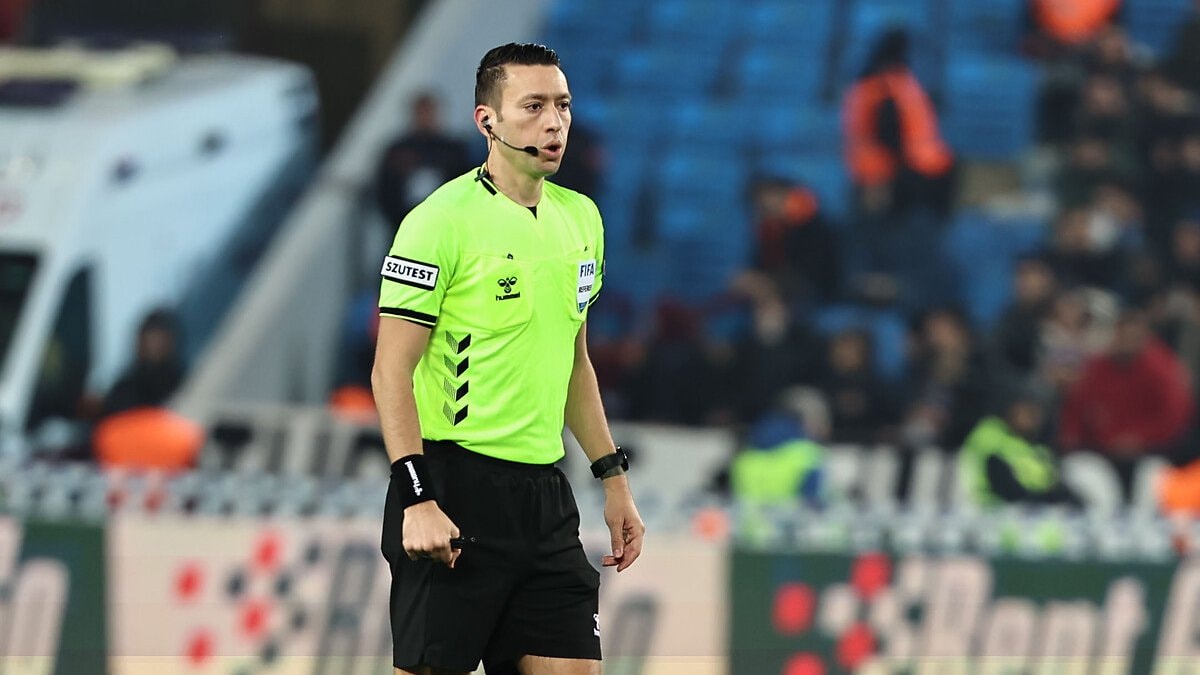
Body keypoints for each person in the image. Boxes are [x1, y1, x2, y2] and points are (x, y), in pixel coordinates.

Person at [371, 43, 645, 675]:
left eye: (563, 106)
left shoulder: (583, 219)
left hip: (545, 498)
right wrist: (417, 498)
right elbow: (390, 371)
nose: (554, 123)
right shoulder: (438, 222)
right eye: (534, 107)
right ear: (486, 121)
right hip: (454, 489)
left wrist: (614, 481)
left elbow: (575, 363)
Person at [375, 91, 473, 235]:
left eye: (429, 112)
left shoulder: (453, 150)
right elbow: (385, 190)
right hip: (405, 225)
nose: (425, 117)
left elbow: (465, 185)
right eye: (421, 112)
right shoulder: (398, 151)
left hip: (445, 226)